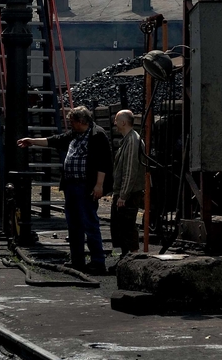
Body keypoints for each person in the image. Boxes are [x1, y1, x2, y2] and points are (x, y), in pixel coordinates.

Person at [18, 105, 112, 274]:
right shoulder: (74, 135)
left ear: (81, 121)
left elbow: (103, 162)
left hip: (86, 186)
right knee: (74, 224)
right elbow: (54, 140)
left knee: (90, 223)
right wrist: (32, 141)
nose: (70, 124)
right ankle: (77, 260)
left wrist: (99, 185)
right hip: (71, 185)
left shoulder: (97, 135)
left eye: (72, 121)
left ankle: (98, 262)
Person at [110, 109, 145, 260]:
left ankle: (131, 259)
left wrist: (123, 195)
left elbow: (130, 169)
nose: (114, 124)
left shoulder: (132, 141)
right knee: (121, 226)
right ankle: (126, 258)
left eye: (116, 120)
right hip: (125, 191)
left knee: (127, 225)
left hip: (129, 193)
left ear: (123, 122)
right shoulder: (128, 140)